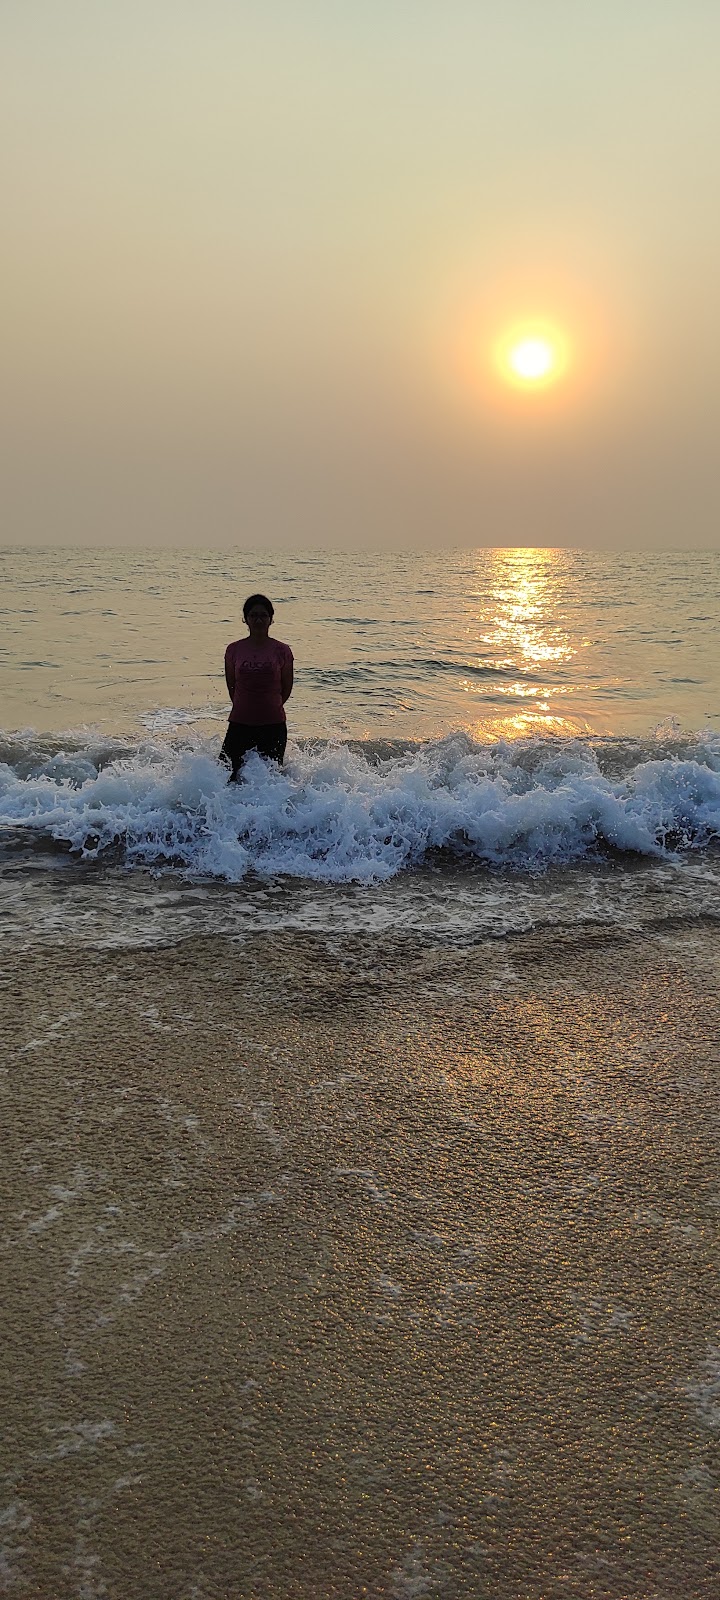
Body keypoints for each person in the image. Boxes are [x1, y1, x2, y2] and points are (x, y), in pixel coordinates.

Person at [220, 594, 294, 780]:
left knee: (271, 779)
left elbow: (287, 687)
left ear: (271, 619)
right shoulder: (233, 649)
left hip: (273, 724)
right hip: (240, 723)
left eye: (263, 615)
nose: (258, 620)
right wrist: (245, 706)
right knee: (225, 775)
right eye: (253, 615)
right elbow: (231, 685)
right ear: (245, 619)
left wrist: (269, 706)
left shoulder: (282, 650)